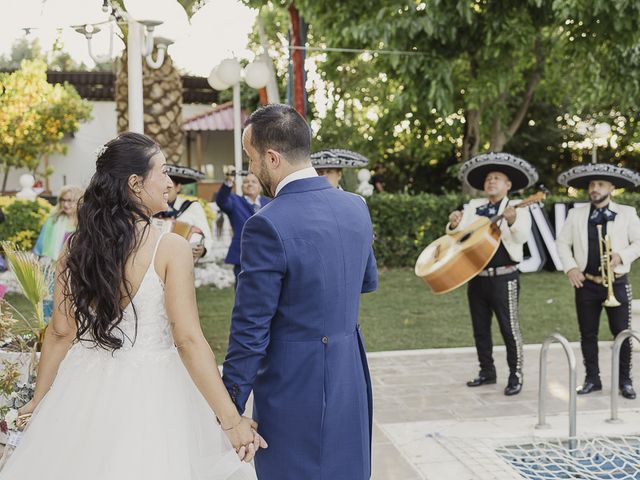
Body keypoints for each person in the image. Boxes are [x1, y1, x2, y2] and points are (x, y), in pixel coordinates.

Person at [0, 133, 264, 480]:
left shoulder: (73, 250)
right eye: (164, 172)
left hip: (81, 390)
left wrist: (40, 400)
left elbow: (61, 333)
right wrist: (231, 422)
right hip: (155, 394)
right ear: (136, 183)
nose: (170, 184)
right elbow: (187, 339)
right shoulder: (171, 248)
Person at [222, 104, 378, 480]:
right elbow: (367, 281)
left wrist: (229, 408)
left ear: (272, 158)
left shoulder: (266, 224)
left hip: (295, 387)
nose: (250, 169)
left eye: (251, 158)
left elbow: (250, 328)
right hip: (350, 376)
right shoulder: (356, 207)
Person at [447, 153, 538, 396]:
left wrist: (513, 219)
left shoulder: (518, 208)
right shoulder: (473, 207)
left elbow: (521, 238)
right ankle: (487, 371)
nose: (491, 182)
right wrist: (454, 224)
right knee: (480, 328)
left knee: (509, 328)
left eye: (497, 178)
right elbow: (457, 238)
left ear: (508, 185)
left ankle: (515, 374)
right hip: (476, 276)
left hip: (504, 277)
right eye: (488, 178)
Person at [556, 163, 640, 399]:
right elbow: (562, 243)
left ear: (611, 188)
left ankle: (625, 381)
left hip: (618, 282)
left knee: (622, 333)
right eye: (592, 184)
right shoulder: (576, 214)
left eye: (601, 184)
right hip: (588, 284)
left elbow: (639, 242)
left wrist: (621, 255)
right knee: (588, 334)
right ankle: (592, 379)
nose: (595, 188)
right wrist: (571, 267)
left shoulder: (627, 213)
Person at [215, 169, 270, 283]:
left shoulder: (269, 203)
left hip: (266, 254)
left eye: (254, 182)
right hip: (243, 256)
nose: (249, 184)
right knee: (243, 293)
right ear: (241, 186)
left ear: (260, 186)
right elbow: (221, 200)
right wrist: (229, 181)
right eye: (246, 182)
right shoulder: (235, 201)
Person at [154, 165, 213, 262]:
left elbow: (207, 237)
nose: (165, 193)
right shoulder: (153, 209)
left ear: (178, 187)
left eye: (168, 189)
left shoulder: (192, 207)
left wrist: (203, 250)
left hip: (184, 263)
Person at [33, 185, 83, 262]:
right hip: (52, 265)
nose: (65, 204)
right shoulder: (53, 220)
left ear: (78, 201)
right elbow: (40, 245)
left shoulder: (84, 223)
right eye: (63, 200)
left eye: (69, 200)